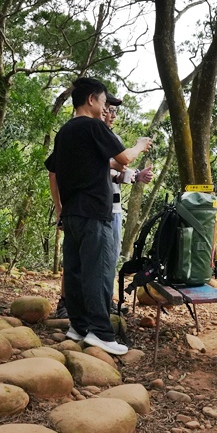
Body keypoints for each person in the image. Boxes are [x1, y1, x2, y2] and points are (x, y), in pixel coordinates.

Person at [46, 78, 152, 356]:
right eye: (104, 102)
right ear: (91, 99)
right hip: (94, 212)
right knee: (98, 271)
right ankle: (101, 332)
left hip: (72, 212)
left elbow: (58, 169)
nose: (106, 108)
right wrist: (140, 145)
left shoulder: (65, 131)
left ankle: (78, 326)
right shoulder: (93, 126)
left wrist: (60, 208)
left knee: (76, 271)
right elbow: (124, 158)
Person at [103, 93, 154, 258]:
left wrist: (137, 176)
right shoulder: (91, 134)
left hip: (115, 208)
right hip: (97, 210)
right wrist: (139, 146)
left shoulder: (115, 138)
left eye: (115, 111)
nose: (113, 115)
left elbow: (117, 174)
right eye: (109, 110)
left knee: (112, 258)